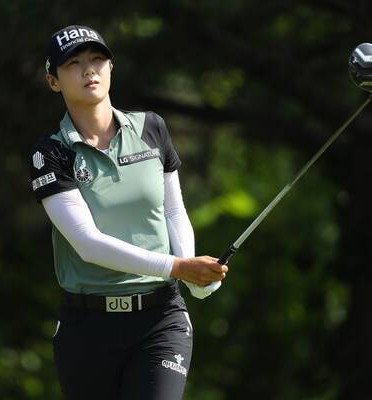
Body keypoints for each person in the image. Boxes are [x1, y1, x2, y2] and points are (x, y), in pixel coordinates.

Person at [29, 24, 228, 400]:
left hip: (160, 319)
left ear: (111, 68)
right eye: (74, 63)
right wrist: (178, 267)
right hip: (87, 328)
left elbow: (173, 209)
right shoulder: (51, 153)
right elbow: (88, 244)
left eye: (97, 59)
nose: (89, 69)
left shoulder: (151, 127)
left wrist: (191, 270)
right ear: (53, 81)